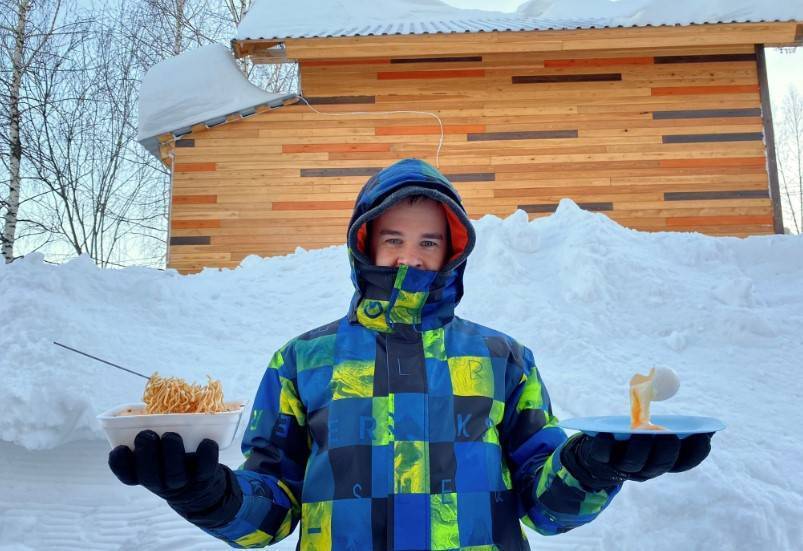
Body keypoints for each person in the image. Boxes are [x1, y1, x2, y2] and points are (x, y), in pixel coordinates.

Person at [108, 158, 713, 550]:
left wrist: (594, 467)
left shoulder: (503, 358)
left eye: (428, 241)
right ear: (365, 242)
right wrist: (207, 494)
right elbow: (274, 509)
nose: (410, 256)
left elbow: (543, 507)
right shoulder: (303, 361)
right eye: (394, 238)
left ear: (452, 251)